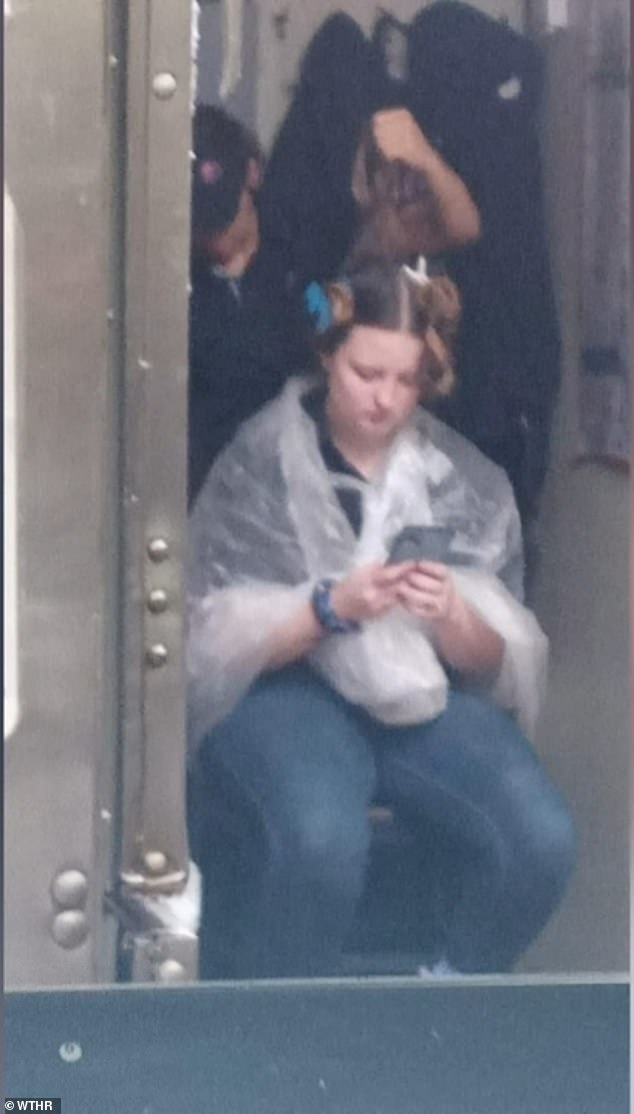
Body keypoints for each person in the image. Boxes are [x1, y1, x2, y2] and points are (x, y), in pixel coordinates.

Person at [187, 260, 575, 979]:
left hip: (417, 697)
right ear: (329, 356)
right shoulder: (260, 462)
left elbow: (499, 660)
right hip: (286, 691)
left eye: (406, 381)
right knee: (320, 843)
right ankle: (282, 1031)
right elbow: (204, 637)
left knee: (541, 838)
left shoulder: (460, 478)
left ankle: (449, 995)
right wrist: (328, 608)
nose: (385, 399)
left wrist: (452, 614)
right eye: (367, 373)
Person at [188, 104, 310, 506]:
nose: (213, 235)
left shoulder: (301, 256)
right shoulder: (175, 287)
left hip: (299, 481)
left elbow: (325, 325)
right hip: (209, 490)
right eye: (201, 222)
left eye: (224, 213)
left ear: (252, 174)